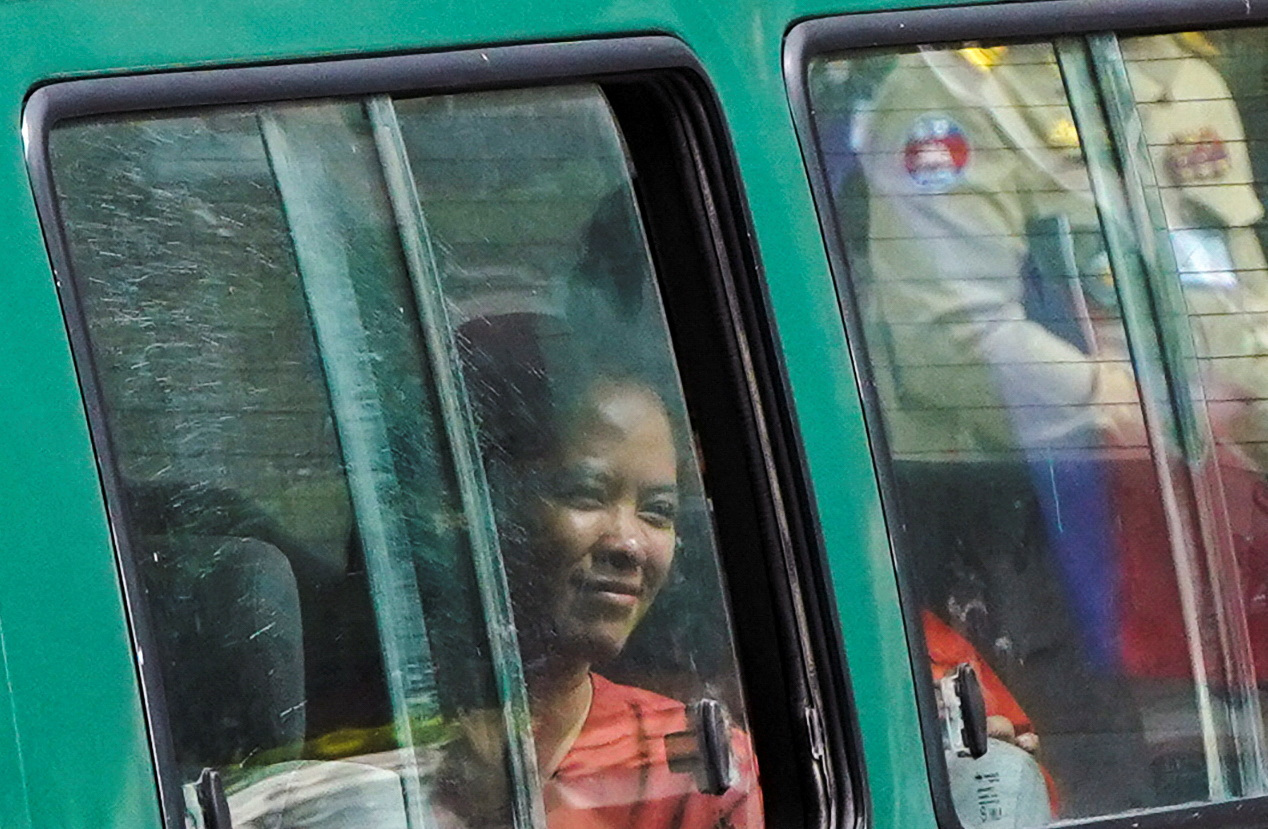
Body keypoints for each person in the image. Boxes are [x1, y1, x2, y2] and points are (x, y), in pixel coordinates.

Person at [451, 312, 764, 829]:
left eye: (658, 511)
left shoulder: (695, 767)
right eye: (586, 495)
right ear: (474, 504)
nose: (628, 544)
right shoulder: (349, 742)